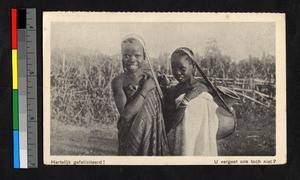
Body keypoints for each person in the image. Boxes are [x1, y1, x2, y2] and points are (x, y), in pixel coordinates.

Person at [111, 34, 170, 156]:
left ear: (144, 57)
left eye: (137, 55)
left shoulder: (151, 77)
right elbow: (126, 115)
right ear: (121, 57)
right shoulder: (119, 81)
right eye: (126, 56)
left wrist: (163, 86)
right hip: (130, 136)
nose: (132, 59)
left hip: (152, 136)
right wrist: (145, 89)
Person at [163, 47, 219, 156]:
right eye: (173, 68)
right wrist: (187, 98)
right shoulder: (174, 91)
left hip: (201, 142)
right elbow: (172, 122)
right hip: (181, 144)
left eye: (182, 69)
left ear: (193, 66)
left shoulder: (203, 87)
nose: (177, 72)